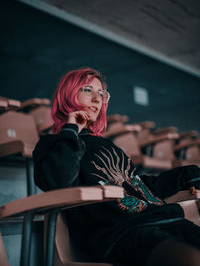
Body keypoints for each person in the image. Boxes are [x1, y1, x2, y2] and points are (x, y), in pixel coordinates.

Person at [33, 67, 200, 266]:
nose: (97, 99)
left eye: (101, 93)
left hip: (165, 220)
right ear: (68, 94)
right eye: (88, 90)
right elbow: (58, 180)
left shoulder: (107, 144)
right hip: (123, 234)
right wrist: (71, 129)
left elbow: (137, 186)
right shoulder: (52, 145)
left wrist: (187, 175)